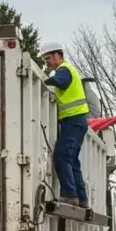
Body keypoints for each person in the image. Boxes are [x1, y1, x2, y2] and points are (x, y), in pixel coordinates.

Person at [38, 40, 91, 210]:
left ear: (57, 55)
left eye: (48, 59)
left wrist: (45, 80)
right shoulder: (67, 69)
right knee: (72, 161)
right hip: (76, 121)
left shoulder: (65, 69)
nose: (47, 63)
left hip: (73, 121)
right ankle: (82, 199)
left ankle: (70, 195)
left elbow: (60, 81)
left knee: (61, 157)